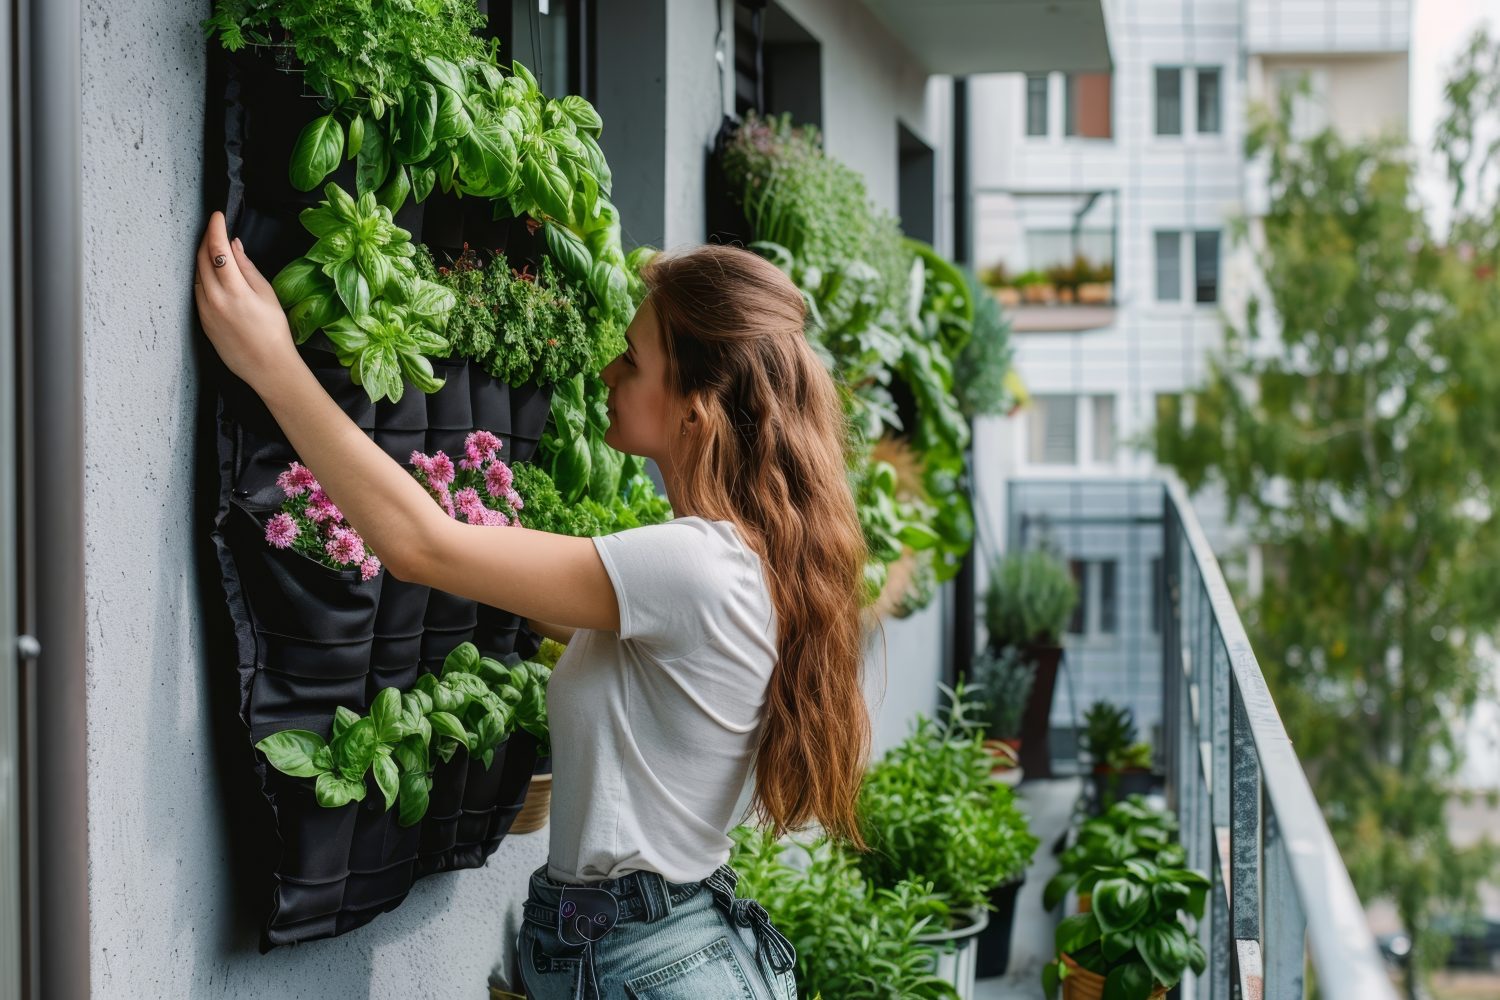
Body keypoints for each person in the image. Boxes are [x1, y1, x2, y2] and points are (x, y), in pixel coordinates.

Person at [193, 212, 872, 999]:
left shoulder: (696, 565)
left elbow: (423, 547)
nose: (610, 372)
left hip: (642, 963)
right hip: (643, 950)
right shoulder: (733, 563)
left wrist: (271, 362)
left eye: (635, 358)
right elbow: (538, 597)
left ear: (697, 408)